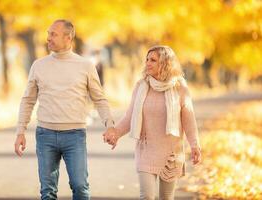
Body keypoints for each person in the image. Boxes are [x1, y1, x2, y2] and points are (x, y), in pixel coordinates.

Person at [14, 19, 116, 200]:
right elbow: (28, 100)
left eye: (53, 34)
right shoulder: (39, 65)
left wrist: (109, 125)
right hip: (45, 135)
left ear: (68, 38)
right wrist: (20, 131)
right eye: (48, 33)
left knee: (80, 187)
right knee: (47, 191)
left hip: (74, 135)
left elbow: (99, 99)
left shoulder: (85, 66)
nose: (48, 38)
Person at [103, 45, 202, 200]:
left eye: (153, 60)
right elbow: (130, 116)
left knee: (166, 197)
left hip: (171, 152)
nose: (148, 63)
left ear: (165, 63)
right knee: (147, 196)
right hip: (146, 150)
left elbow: (188, 119)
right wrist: (115, 133)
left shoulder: (179, 87)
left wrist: (194, 144)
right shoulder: (141, 86)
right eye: (147, 60)